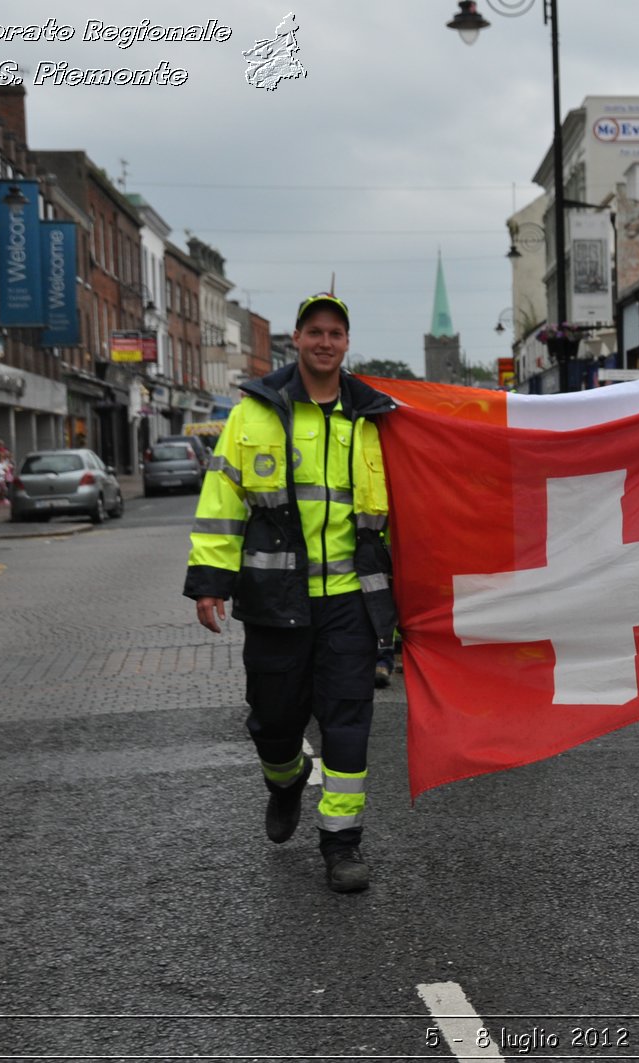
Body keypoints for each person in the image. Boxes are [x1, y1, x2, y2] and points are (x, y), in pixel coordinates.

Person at [184, 292, 397, 894]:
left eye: (336, 333)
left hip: (351, 601)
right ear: (297, 340)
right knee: (274, 723)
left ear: (346, 343)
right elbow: (222, 502)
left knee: (348, 720)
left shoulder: (374, 417)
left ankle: (342, 843)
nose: (325, 342)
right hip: (277, 600)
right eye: (315, 332)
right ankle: (286, 779)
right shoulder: (255, 413)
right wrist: (209, 582)